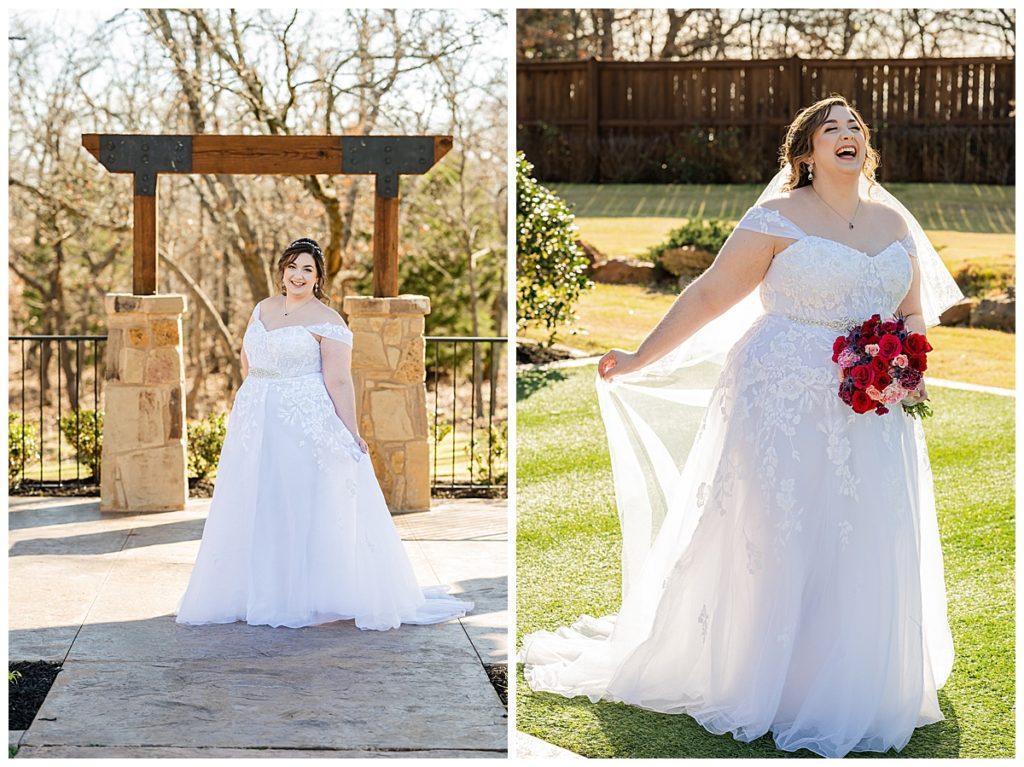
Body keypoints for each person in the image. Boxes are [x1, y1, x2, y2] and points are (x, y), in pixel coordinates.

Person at [519, 96, 963, 757]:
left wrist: (905, 368)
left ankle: (846, 679)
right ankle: (767, 679)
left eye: (855, 128)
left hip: (872, 403)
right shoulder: (776, 218)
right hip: (781, 395)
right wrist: (641, 355)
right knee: (784, 533)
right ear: (806, 151)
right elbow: (706, 294)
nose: (847, 135)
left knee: (862, 534)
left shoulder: (894, 217)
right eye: (830, 129)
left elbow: (913, 311)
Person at [177, 238, 472, 630]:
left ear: (318, 278)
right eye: (292, 267)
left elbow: (338, 381)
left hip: (302, 420)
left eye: (307, 270)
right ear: (282, 270)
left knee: (297, 501)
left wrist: (351, 431)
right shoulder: (262, 308)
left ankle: (303, 595)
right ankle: (255, 591)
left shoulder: (328, 321)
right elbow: (247, 360)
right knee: (256, 498)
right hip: (255, 417)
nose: (298, 275)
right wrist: (255, 400)